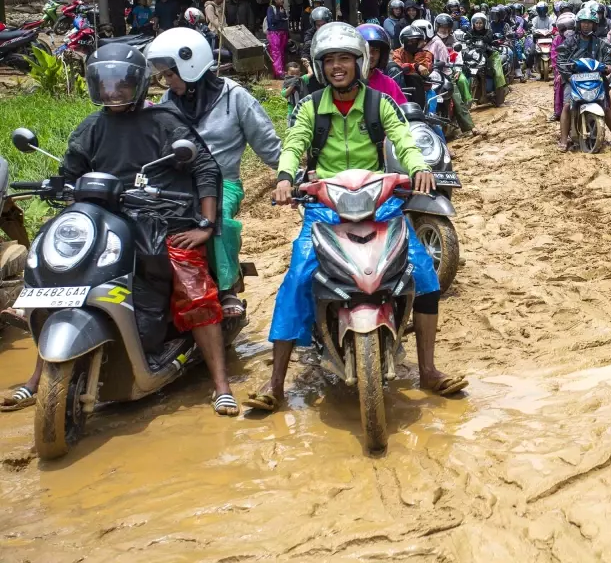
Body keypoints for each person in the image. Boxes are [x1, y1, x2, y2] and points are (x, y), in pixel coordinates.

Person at [0, 43, 237, 416]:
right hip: (103, 223)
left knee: (192, 286)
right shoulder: (91, 126)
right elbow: (71, 171)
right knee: (55, 278)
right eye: (105, 83)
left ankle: (221, 384)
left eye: (121, 83)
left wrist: (205, 224)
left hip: (163, 222)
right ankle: (36, 378)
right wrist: (55, 183)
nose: (112, 91)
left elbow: (205, 168)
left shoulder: (164, 122)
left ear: (138, 84)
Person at [246, 23, 462, 412]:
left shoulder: (381, 104)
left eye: (345, 58)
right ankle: (276, 382)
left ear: (359, 62)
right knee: (298, 275)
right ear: (319, 66)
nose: (337, 67)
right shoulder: (310, 106)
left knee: (424, 275)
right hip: (325, 204)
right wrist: (284, 177)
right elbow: (295, 144)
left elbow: (403, 138)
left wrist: (418, 168)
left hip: (381, 202)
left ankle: (429, 369)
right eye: (329, 61)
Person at [147, 28, 281, 322]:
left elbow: (268, 146)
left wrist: (290, 176)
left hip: (225, 183)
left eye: (170, 74)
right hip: (179, 186)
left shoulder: (235, 98)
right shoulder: (167, 103)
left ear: (190, 67)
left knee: (218, 217)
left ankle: (226, 288)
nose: (166, 82)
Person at [557, 3, 611, 151]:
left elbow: (608, 60)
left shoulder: (601, 43)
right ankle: (563, 140)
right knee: (567, 105)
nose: (586, 26)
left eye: (589, 23)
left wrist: (607, 67)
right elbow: (561, 61)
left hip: (596, 79)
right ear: (579, 24)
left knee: (606, 107)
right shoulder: (569, 42)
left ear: (594, 25)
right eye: (584, 22)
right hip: (574, 79)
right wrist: (568, 75)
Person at [357, 24, 407, 104]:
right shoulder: (345, 83)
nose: (370, 55)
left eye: (375, 50)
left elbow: (402, 111)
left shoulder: (389, 84)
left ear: (381, 54)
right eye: (366, 50)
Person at [266, 0, 290, 78]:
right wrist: (280, 15)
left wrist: (288, 35)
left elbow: (285, 22)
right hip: (274, 33)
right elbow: (271, 21)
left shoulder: (283, 9)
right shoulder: (271, 8)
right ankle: (279, 72)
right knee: (276, 53)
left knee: (282, 53)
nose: (281, 1)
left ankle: (282, 71)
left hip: (283, 33)